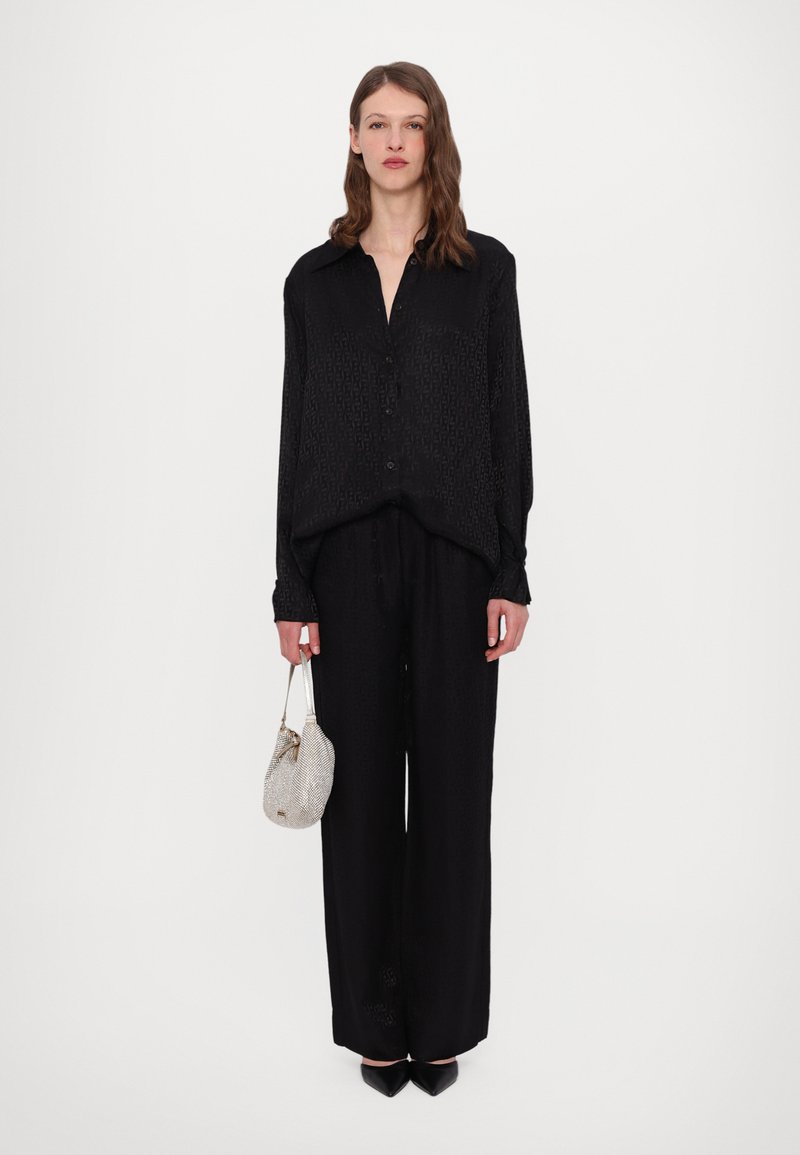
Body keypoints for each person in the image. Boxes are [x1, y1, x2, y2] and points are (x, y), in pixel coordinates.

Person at [272, 61, 533, 1098]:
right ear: (352, 139)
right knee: (362, 801)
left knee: (455, 795)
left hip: (457, 559)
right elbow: (296, 434)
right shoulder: (313, 281)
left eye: (410, 125)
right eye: (375, 124)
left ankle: (444, 1023)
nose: (392, 142)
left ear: (434, 140)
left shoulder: (484, 271)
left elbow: (506, 422)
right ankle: (374, 1024)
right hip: (344, 563)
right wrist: (291, 588)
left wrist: (509, 568)